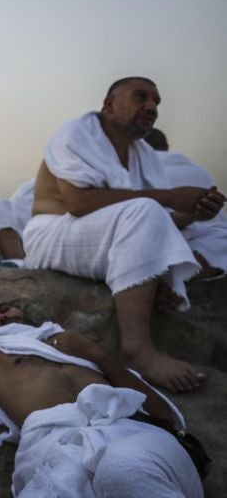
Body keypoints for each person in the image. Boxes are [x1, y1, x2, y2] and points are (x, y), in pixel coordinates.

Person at [25, 77, 225, 392]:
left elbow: (157, 220)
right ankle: (138, 350)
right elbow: (78, 204)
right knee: (145, 209)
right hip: (54, 232)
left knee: (218, 233)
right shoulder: (76, 133)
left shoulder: (141, 152)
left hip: (110, 233)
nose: (151, 107)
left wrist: (196, 213)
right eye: (141, 97)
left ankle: (164, 281)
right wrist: (170, 197)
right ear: (109, 104)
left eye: (157, 101)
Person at [0, 299, 204, 497]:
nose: (0, 317)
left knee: (123, 468)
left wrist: (93, 353)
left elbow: (162, 417)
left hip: (129, 430)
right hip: (57, 445)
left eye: (5, 309)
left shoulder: (69, 344)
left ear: (21, 313)